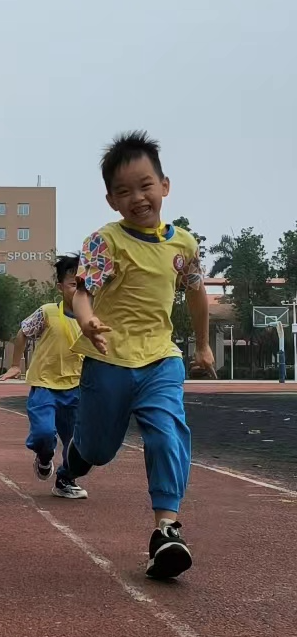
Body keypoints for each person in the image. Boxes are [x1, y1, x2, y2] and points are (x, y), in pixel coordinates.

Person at [64, 130, 213, 580]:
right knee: (98, 449)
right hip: (108, 359)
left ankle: (166, 529)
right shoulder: (105, 242)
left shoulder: (183, 244)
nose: (138, 197)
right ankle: (74, 459)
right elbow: (82, 292)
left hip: (159, 360)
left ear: (165, 185)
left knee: (167, 430)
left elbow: (196, 293)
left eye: (145, 185)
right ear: (111, 199)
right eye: (124, 191)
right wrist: (87, 320)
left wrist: (203, 344)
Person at [0, 255, 86, 498]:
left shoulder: (89, 319)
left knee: (75, 443)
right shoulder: (48, 312)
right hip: (44, 385)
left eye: (83, 283)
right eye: (72, 284)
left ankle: (65, 480)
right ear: (60, 287)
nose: (78, 289)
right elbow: (23, 332)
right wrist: (15, 365)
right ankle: (45, 456)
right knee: (44, 434)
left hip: (76, 388)